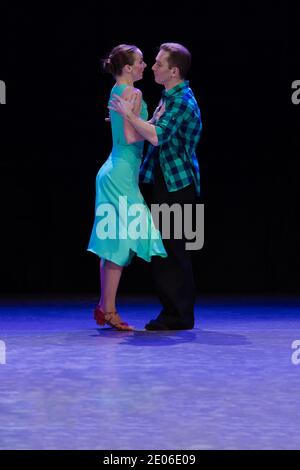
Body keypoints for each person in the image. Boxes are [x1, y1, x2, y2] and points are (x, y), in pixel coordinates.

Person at [108, 43, 202, 330]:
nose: (153, 67)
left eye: (159, 64)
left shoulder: (183, 100)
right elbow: (152, 127)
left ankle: (178, 315)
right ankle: (174, 312)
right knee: (168, 248)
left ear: (173, 71)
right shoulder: (169, 96)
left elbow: (158, 135)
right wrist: (127, 120)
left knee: (174, 249)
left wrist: (130, 116)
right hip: (168, 181)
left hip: (178, 184)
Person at [88, 44, 167, 331]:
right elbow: (133, 138)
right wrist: (143, 123)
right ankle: (107, 309)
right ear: (128, 68)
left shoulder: (117, 90)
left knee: (115, 240)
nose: (145, 65)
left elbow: (124, 131)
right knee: (119, 242)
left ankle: (104, 307)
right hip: (120, 173)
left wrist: (128, 120)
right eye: (141, 61)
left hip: (117, 171)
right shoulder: (132, 93)